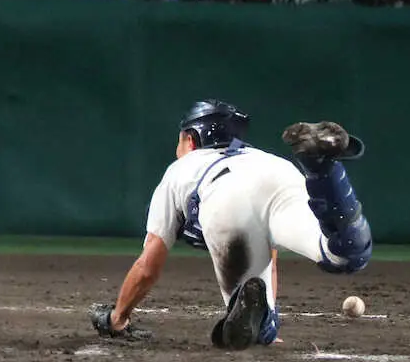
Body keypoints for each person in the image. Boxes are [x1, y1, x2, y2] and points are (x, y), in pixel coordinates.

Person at [89, 101, 372, 349]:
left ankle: (263, 324)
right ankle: (320, 164)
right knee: (344, 252)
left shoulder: (181, 170)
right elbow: (269, 258)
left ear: (190, 138)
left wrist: (118, 317)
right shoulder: (259, 157)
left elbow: (148, 266)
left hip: (224, 195)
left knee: (257, 330)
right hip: (282, 175)